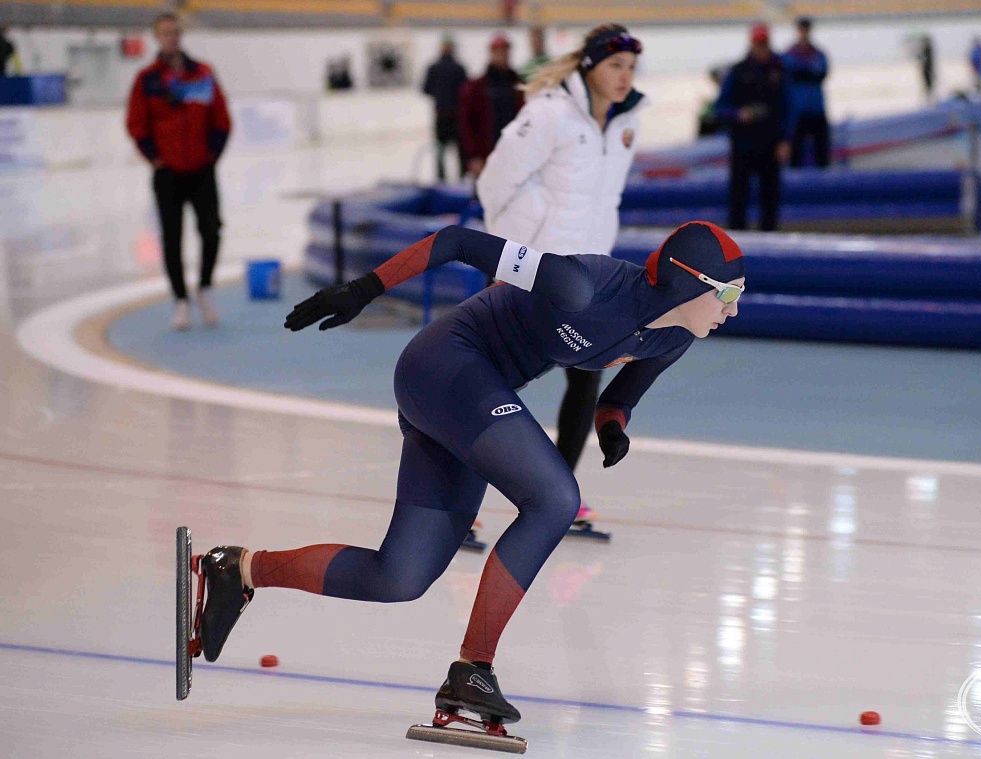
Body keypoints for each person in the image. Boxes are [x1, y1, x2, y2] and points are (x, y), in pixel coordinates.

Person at [195, 220, 747, 731]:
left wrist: (613, 427)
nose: (734, 310)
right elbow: (457, 241)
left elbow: (621, 396)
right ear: (686, 283)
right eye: (727, 294)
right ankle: (473, 669)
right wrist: (364, 288)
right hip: (446, 365)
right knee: (555, 498)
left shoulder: (675, 334)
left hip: (471, 397)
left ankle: (239, 569)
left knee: (400, 578)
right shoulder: (581, 283)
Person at [474, 24, 647, 540]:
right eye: (616, 65)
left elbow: (601, 200)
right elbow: (493, 183)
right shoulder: (549, 113)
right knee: (486, 383)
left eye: (632, 68)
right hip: (526, 266)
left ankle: (559, 496)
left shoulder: (626, 123)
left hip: (586, 272)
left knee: (586, 376)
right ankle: (458, 503)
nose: (625, 77)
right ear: (591, 65)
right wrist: (520, 247)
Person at [127, 12, 230, 331]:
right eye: (164, 33)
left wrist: (211, 155)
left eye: (175, 32)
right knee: (171, 238)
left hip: (202, 170)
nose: (171, 37)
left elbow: (221, 119)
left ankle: (205, 288)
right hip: (168, 173)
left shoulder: (202, 73)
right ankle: (180, 300)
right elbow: (136, 123)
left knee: (211, 230)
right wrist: (154, 157)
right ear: (157, 37)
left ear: (181, 34)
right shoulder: (148, 80)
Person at [716, 23, 790, 232]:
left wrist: (785, 140)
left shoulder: (779, 70)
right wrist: (738, 114)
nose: (762, 48)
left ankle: (770, 243)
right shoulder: (737, 72)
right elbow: (720, 108)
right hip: (743, 145)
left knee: (770, 199)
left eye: (765, 43)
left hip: (770, 145)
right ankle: (735, 244)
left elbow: (787, 108)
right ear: (752, 44)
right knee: (738, 198)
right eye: (759, 44)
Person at [458, 35, 524, 179]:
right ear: (492, 53)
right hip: (486, 157)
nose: (504, 55)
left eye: (506, 51)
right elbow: (466, 124)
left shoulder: (518, 84)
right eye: (499, 51)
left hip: (514, 158)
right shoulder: (476, 87)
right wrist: (473, 156)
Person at [783, 16, 830, 168]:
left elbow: (821, 75)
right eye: (801, 29)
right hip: (798, 111)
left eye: (806, 29)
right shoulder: (790, 54)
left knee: (822, 152)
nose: (804, 32)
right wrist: (808, 73)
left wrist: (802, 73)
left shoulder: (818, 54)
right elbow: (795, 74)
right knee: (795, 152)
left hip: (816, 109)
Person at [421, 36, 468, 182]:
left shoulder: (436, 68)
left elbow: (426, 89)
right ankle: (457, 179)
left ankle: (451, 179)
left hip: (446, 115)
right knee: (448, 152)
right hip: (449, 115)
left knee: (451, 151)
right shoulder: (458, 68)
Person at [918, 34, 936, 103]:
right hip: (928, 68)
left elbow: (925, 60)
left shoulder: (927, 49)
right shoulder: (929, 48)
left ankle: (929, 97)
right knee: (928, 83)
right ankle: (929, 97)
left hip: (927, 69)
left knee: (928, 83)